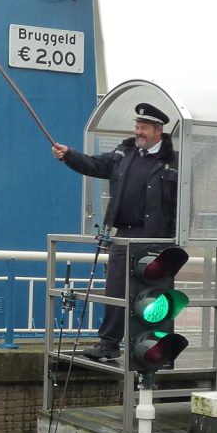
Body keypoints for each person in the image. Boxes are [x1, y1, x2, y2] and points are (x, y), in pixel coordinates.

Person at [52, 103, 179, 361]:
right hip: (124, 234)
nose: (138, 132)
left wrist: (176, 240)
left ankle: (152, 345)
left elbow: (184, 203)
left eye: (143, 128)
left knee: (152, 294)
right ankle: (109, 343)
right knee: (116, 289)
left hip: (156, 238)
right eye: (137, 127)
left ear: (158, 130)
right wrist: (69, 155)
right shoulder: (124, 153)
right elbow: (95, 165)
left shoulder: (174, 162)